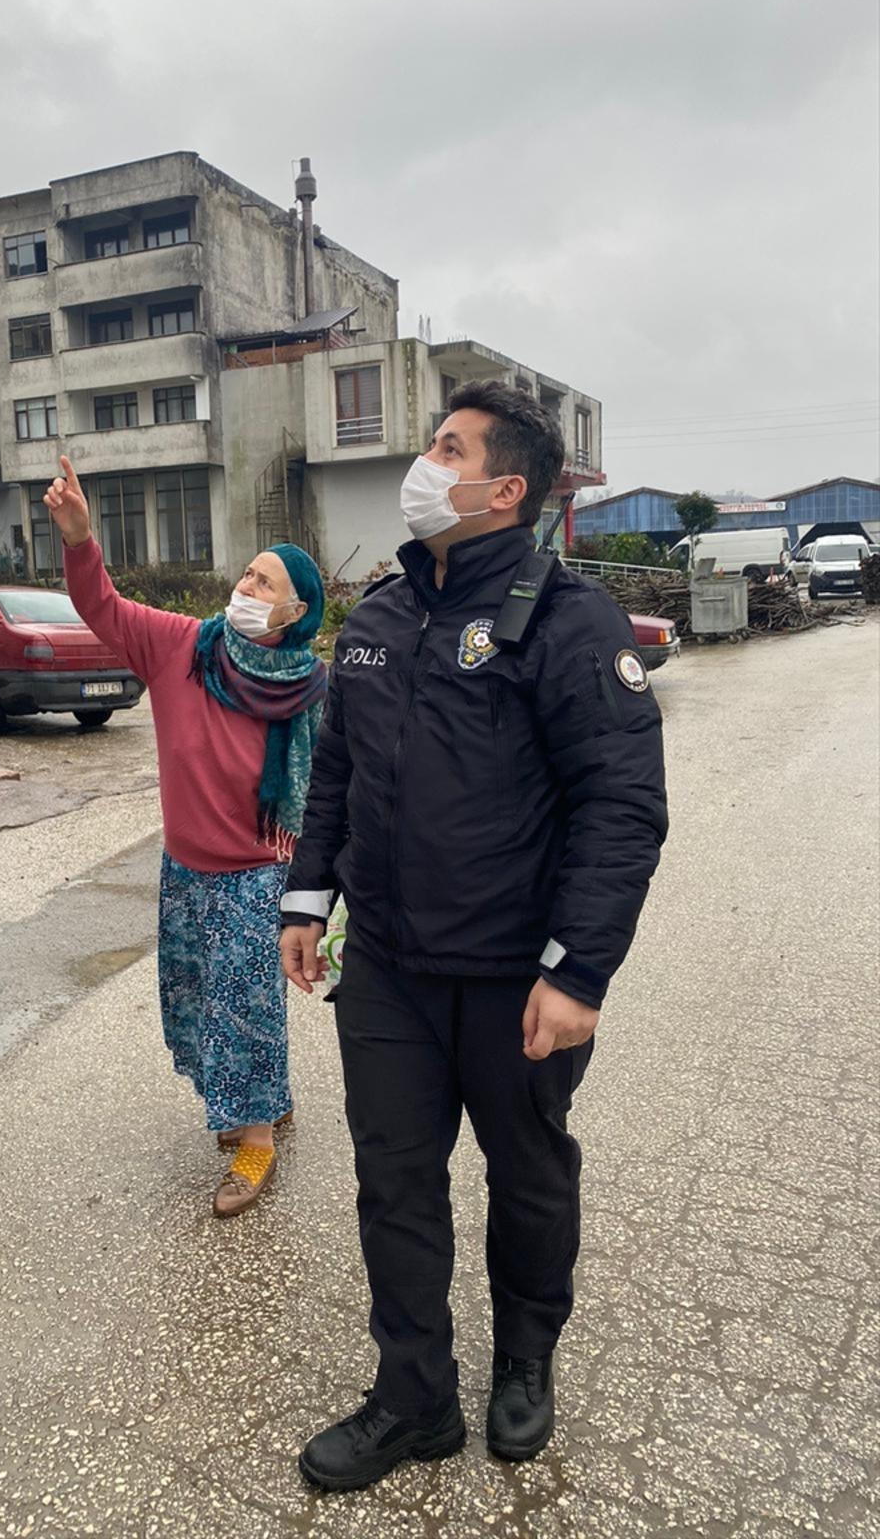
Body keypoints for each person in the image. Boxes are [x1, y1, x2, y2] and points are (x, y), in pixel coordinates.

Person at [280, 381, 667, 1489]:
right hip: (391, 973)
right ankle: (414, 1399)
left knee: (528, 1172)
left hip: (515, 978)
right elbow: (338, 773)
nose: (424, 463)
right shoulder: (387, 616)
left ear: (506, 486)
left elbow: (620, 805)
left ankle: (526, 1357)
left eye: (446, 448)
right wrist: (309, 901)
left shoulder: (567, 621)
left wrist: (579, 967)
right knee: (393, 1182)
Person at [44, 457, 326, 1217]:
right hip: (186, 870)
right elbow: (100, 606)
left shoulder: (309, 690)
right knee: (203, 1002)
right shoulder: (183, 647)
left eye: (265, 583)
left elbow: (334, 795)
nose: (245, 587)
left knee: (245, 1007)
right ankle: (272, 1096)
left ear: (297, 612)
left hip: (260, 872)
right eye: (246, 574)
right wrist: (79, 541)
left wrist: (329, 895)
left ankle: (256, 1137)